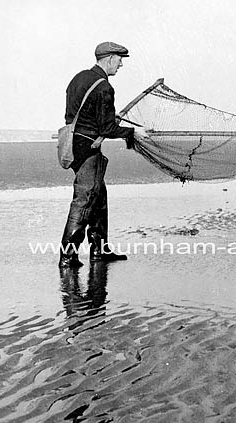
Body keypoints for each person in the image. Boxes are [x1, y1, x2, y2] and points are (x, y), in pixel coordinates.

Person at [59, 41, 146, 268]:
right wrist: (133, 131)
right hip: (89, 149)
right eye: (119, 60)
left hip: (74, 147)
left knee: (99, 197)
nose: (120, 65)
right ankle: (67, 257)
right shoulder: (104, 87)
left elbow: (75, 115)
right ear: (108, 58)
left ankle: (99, 251)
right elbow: (107, 128)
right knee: (85, 199)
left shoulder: (79, 78)